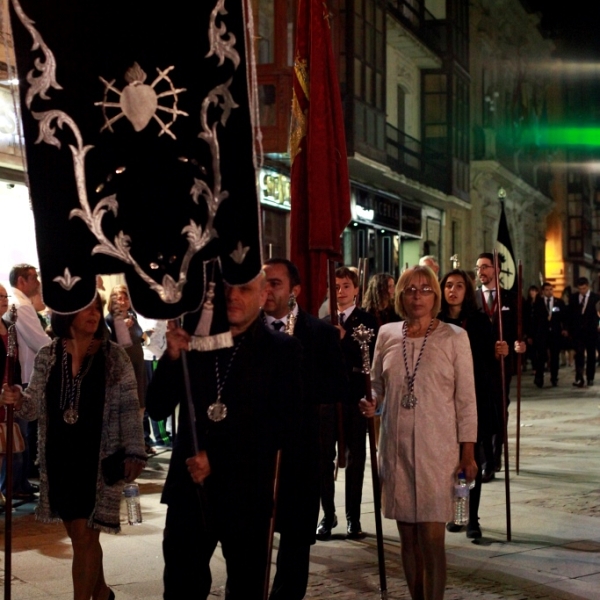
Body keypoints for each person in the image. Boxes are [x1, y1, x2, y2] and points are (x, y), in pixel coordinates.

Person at [146, 273, 303, 600]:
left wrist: (217, 459)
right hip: (189, 490)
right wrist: (172, 358)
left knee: (245, 590)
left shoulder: (282, 350)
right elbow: (157, 408)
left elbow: (281, 426)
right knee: (180, 588)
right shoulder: (196, 341)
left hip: (246, 494)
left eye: (244, 288)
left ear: (262, 295)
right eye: (228, 288)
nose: (233, 296)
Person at [0, 295, 146, 600]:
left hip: (98, 459)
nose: (94, 314)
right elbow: (32, 406)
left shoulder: (113, 356)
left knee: (83, 536)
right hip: (59, 459)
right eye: (86, 308)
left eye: (97, 308)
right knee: (82, 538)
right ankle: (103, 593)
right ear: (67, 314)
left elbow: (130, 409)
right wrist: (17, 398)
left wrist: (135, 451)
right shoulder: (48, 354)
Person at [360, 265, 477, 600]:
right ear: (400, 295)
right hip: (396, 449)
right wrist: (373, 403)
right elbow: (377, 386)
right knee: (407, 540)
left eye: (426, 290)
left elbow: (466, 400)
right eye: (411, 289)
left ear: (436, 297)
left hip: (437, 451)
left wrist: (467, 453)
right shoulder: (386, 334)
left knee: (431, 539)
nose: (418, 296)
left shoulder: (455, 338)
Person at [262, 258, 347, 600]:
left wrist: (296, 386)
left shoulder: (319, 333)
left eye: (275, 284)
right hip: (256, 452)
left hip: (301, 450)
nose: (267, 290)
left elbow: (338, 386)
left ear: (294, 290)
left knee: (296, 537)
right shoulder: (244, 329)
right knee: (252, 536)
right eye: (263, 283)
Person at [439, 269, 505, 539]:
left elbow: (489, 358)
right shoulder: (436, 321)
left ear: (467, 292)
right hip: (443, 400)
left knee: (471, 459)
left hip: (472, 398)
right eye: (448, 285)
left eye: (459, 286)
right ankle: (457, 510)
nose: (452, 290)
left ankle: (471, 516)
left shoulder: (478, 321)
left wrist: (499, 351)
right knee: (450, 462)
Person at [319, 266, 378, 540]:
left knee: (356, 458)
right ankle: (327, 514)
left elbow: (370, 359)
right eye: (336, 286)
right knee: (323, 458)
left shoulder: (366, 320)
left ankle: (353, 516)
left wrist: (345, 340)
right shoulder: (322, 319)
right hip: (328, 397)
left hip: (355, 395)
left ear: (356, 289)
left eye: (345, 286)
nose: (340, 291)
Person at [2, 264, 51, 500]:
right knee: (17, 434)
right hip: (23, 377)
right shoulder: (20, 305)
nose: (38, 282)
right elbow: (39, 342)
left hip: (23, 375)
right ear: (22, 280)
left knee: (20, 433)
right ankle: (14, 485)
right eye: (35, 278)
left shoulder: (20, 303)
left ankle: (19, 482)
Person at [474, 253, 525, 481]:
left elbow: (521, 330)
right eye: (478, 268)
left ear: (496, 269)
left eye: (485, 267)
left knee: (499, 411)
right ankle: (485, 460)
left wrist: (520, 344)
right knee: (479, 412)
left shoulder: (511, 298)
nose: (481, 272)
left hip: (502, 366)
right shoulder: (473, 300)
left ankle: (495, 457)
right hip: (478, 365)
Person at [105, 285, 151, 453]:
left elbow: (138, 338)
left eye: (126, 297)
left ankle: (135, 448)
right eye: (119, 298)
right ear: (112, 300)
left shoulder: (134, 316)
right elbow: (114, 346)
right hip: (123, 371)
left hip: (138, 367)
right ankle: (124, 452)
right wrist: (122, 327)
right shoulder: (110, 320)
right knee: (125, 412)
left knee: (140, 407)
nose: (123, 301)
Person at [0, 283, 23, 507]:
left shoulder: (10, 326)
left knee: (3, 451)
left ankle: (3, 492)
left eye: (5, 296)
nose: (4, 300)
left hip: (7, 395)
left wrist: (16, 387)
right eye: (0, 296)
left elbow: (15, 362)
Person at [532, 282, 567, 388]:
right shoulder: (538, 303)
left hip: (555, 334)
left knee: (555, 357)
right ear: (543, 291)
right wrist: (531, 334)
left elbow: (564, 317)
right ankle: (539, 378)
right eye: (547, 290)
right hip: (542, 334)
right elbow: (534, 320)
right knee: (541, 357)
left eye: (551, 289)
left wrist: (565, 329)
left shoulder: (559, 303)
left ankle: (554, 378)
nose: (549, 291)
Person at [568, 277, 600, 387]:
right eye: (580, 289)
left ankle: (590, 377)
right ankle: (579, 377)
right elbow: (570, 315)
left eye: (584, 288)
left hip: (591, 332)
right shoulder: (573, 298)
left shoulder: (596, 298)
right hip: (578, 333)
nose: (582, 291)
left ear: (588, 286)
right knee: (579, 355)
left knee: (591, 355)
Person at [523, 285, 539, 372]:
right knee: (532, 350)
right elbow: (525, 319)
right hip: (530, 330)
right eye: (531, 291)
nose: (532, 292)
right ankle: (534, 367)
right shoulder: (527, 304)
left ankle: (539, 367)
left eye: (534, 291)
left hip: (538, 330)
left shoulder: (540, 303)